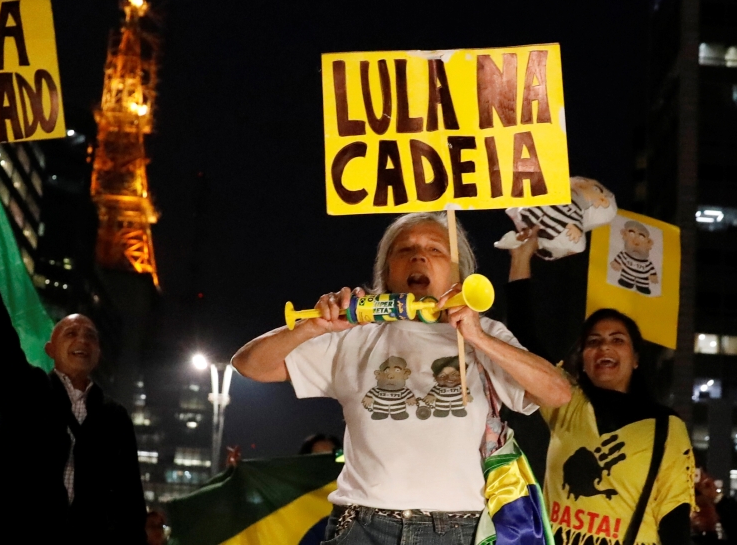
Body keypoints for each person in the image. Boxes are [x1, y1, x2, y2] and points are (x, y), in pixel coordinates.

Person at [232, 212, 571, 545]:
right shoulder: (355, 335)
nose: (419, 255)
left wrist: (479, 338)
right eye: (404, 250)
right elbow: (249, 364)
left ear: (459, 272)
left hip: (456, 531)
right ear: (387, 270)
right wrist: (312, 326)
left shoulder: (487, 335)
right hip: (361, 527)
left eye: (436, 249)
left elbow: (557, 393)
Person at [0, 211, 147, 544]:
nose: (82, 340)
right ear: (50, 349)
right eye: (70, 333)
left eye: (91, 336)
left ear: (98, 354)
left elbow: (129, 503)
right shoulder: (25, 391)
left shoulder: (115, 418)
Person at [507, 227, 695, 545]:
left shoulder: (667, 428)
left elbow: (675, 514)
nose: (604, 348)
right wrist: (521, 258)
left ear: (635, 358)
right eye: (593, 342)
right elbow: (525, 346)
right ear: (583, 357)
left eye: (616, 340)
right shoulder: (567, 403)